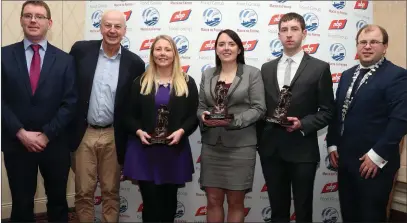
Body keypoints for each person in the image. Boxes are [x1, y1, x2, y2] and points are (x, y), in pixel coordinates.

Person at [1, 1, 77, 222]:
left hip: (54, 144)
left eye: (39, 16)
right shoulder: (3, 56)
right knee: (21, 203)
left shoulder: (65, 60)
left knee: (58, 202)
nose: (33, 20)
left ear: (49, 22)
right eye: (28, 15)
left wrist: (46, 134)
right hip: (17, 144)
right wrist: (20, 132)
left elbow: (70, 102)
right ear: (22, 20)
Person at [257, 12, 335, 222]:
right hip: (271, 151)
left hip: (302, 151)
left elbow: (328, 111)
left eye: (294, 29)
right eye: (284, 30)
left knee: (303, 209)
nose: (289, 34)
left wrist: (303, 123)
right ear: (279, 35)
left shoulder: (320, 68)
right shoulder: (266, 69)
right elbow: (260, 109)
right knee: (278, 209)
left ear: (304, 33)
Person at [68, 10, 145, 222]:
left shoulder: (135, 63)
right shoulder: (80, 51)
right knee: (83, 192)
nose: (112, 30)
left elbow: (134, 106)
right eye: (108, 25)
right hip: (84, 133)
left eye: (117, 26)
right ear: (100, 27)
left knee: (111, 191)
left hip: (113, 134)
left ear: (124, 31)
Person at [326, 24, 407, 222]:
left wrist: (376, 156)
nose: (367, 46)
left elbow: (400, 121)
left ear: (385, 46)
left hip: (374, 165)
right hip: (345, 162)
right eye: (363, 42)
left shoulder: (397, 75)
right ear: (357, 46)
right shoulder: (346, 75)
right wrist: (333, 143)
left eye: (374, 42)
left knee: (370, 217)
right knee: (349, 214)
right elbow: (338, 113)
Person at [123, 34, 198, 222]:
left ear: (174, 54)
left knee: (169, 200)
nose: (162, 53)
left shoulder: (187, 82)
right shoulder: (140, 82)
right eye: (158, 49)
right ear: (152, 53)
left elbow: (193, 117)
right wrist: (139, 131)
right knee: (150, 202)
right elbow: (128, 116)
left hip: (173, 151)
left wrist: (181, 131)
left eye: (167, 49)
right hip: (145, 150)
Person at [197, 29, 266, 223]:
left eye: (231, 44)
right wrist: (203, 116)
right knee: (212, 200)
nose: (226, 48)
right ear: (216, 49)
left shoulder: (252, 73)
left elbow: (259, 108)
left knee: (236, 202)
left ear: (239, 48)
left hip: (241, 147)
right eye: (221, 44)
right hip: (212, 146)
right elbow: (201, 106)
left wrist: (233, 121)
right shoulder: (207, 74)